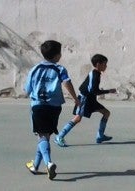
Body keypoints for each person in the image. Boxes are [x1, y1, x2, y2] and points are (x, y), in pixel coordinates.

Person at [24, 40, 80, 180]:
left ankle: (48, 163)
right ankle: (35, 165)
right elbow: (67, 82)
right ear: (57, 55)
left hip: (38, 105)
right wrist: (75, 98)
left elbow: (27, 89)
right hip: (54, 107)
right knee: (45, 135)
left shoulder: (35, 69)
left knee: (42, 136)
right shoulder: (60, 69)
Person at [54, 54, 117, 147]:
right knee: (78, 118)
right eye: (105, 64)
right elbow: (93, 90)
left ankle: (100, 136)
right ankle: (59, 136)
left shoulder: (97, 74)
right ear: (98, 64)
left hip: (91, 99)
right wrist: (109, 91)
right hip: (85, 99)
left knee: (106, 113)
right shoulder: (95, 75)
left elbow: (93, 90)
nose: (106, 66)